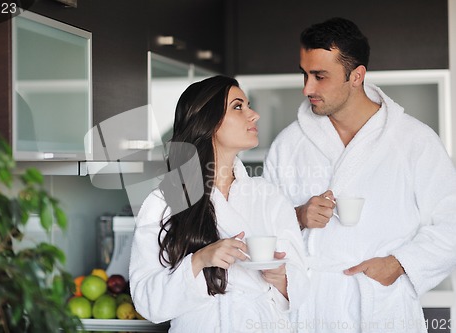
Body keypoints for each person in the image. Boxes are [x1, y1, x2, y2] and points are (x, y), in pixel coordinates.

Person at [263, 17, 456, 333]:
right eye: (304, 74)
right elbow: (261, 226)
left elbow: (452, 222)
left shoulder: (414, 140)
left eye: (319, 76)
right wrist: (297, 215)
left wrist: (398, 265)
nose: (306, 88)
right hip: (313, 308)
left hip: (381, 306)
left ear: (356, 76)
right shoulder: (289, 144)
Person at [129, 75, 309, 332]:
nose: (254, 114)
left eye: (248, 105)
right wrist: (199, 260)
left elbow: (301, 289)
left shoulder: (269, 197)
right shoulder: (165, 202)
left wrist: (280, 277)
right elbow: (148, 303)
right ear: (208, 122)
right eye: (238, 107)